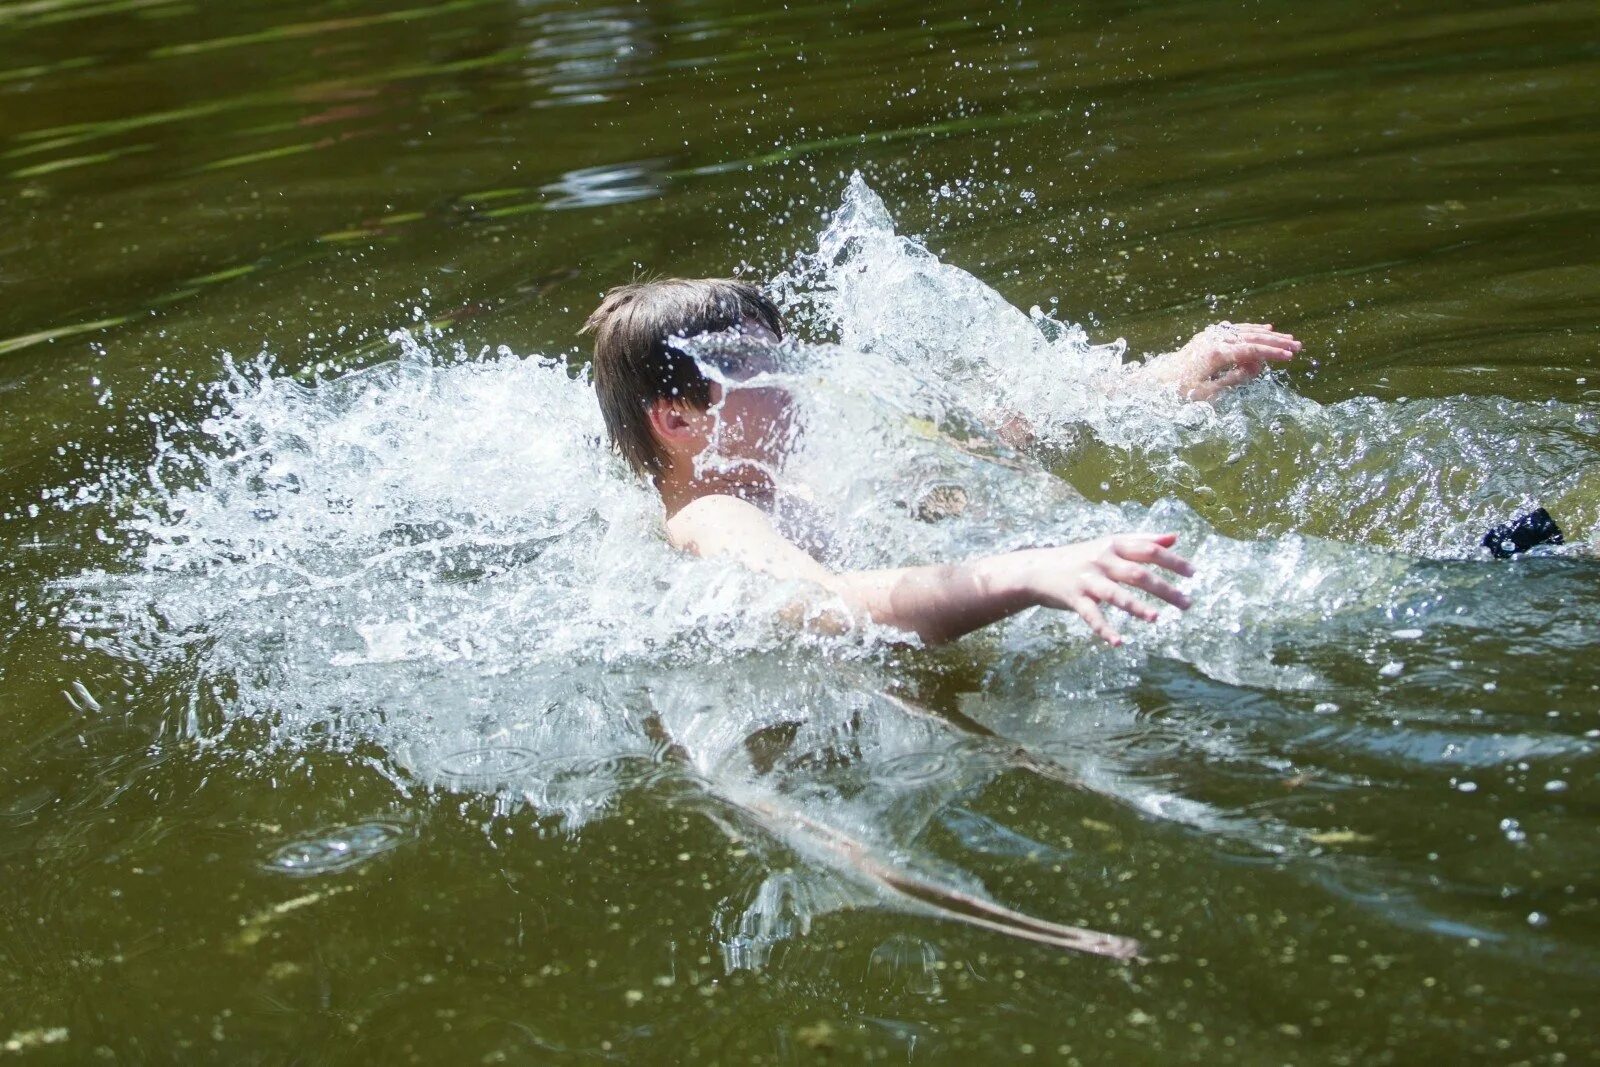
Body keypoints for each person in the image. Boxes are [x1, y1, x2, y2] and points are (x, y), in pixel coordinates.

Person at [582, 278, 1302, 646]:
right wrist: (1025, 573)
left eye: (782, 354)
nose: (788, 378)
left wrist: (1168, 377)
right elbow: (826, 603)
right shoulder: (714, 514)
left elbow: (997, 434)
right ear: (677, 419)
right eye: (751, 366)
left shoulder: (784, 477)